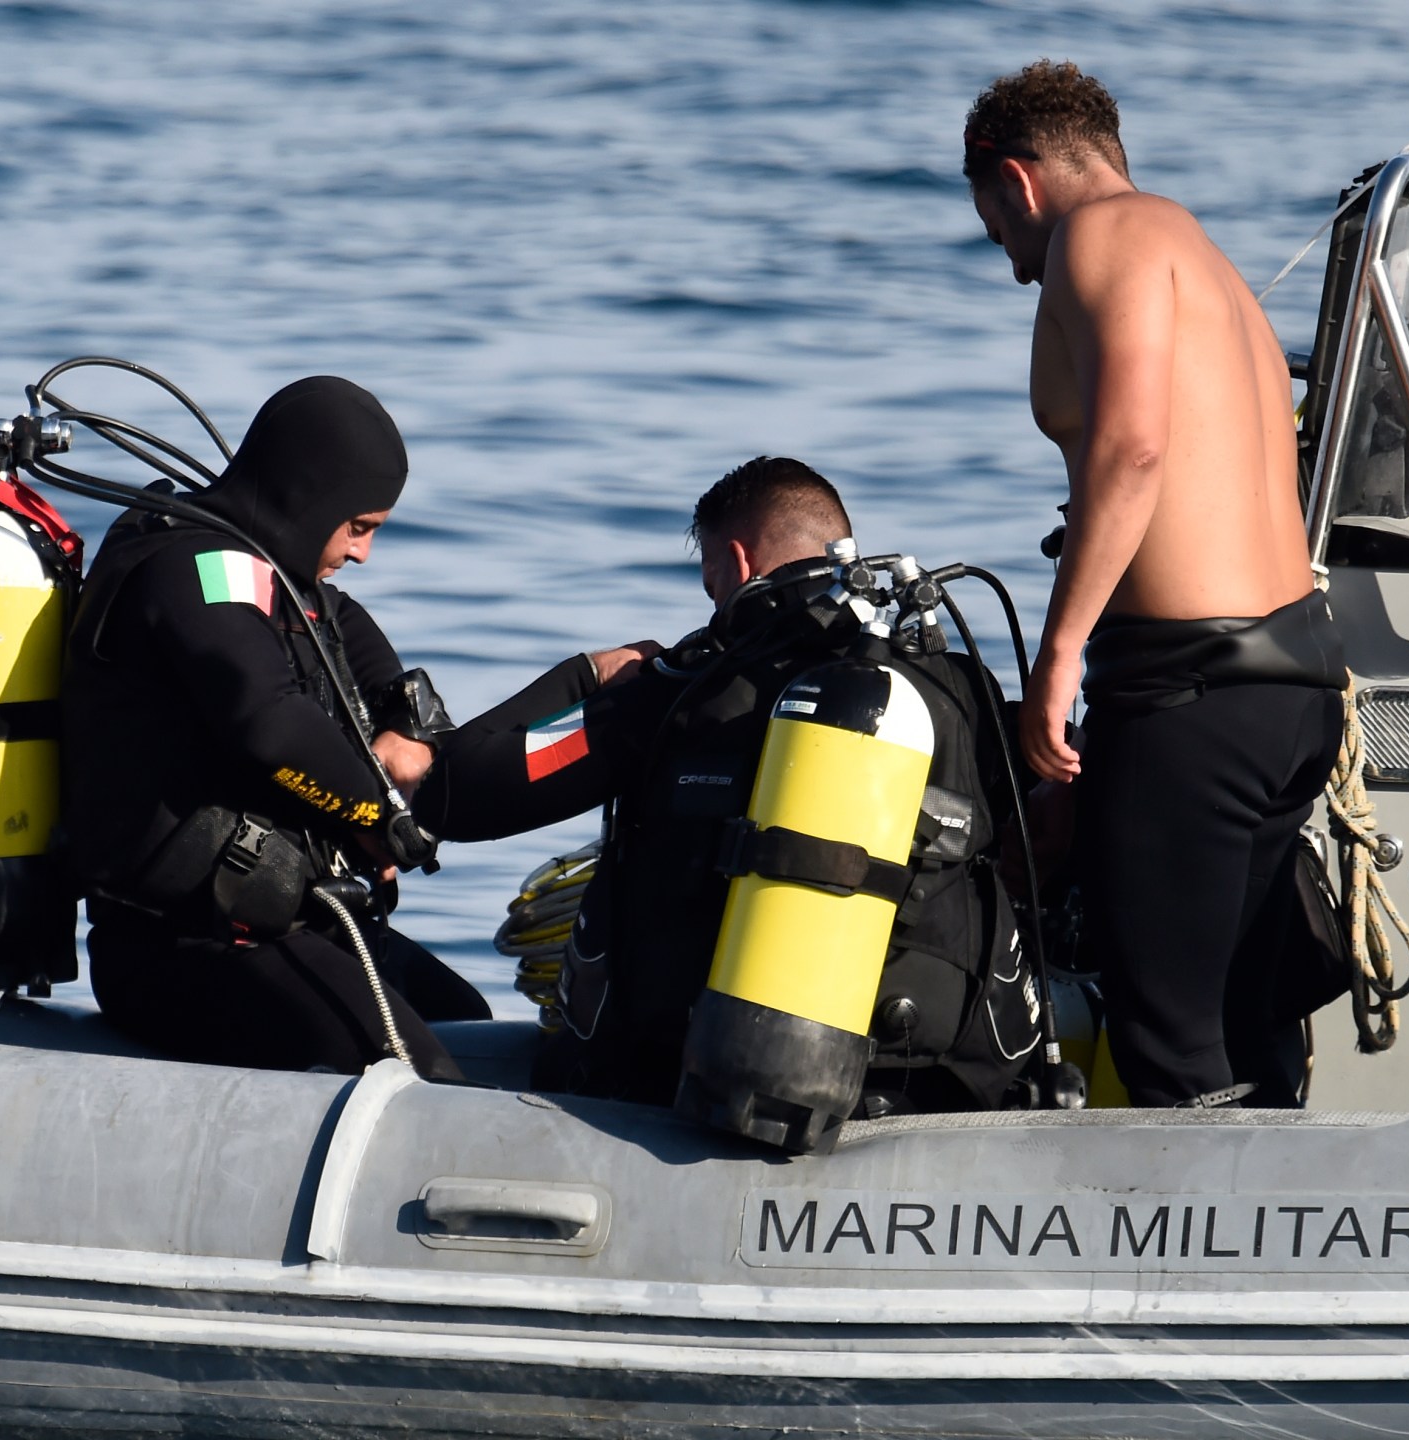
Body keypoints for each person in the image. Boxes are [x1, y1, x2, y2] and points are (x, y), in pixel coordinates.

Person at [416, 458, 1038, 1111]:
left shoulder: (684, 691)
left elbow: (453, 792)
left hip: (702, 1079)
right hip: (934, 1079)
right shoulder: (958, 688)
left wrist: (587, 678)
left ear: (737, 564)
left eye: (711, 585)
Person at [964, 61, 1346, 1106]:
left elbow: (1133, 452)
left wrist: (1056, 660)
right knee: (1243, 1022)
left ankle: (1201, 1269)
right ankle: (1294, 1249)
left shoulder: (1103, 237)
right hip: (1291, 684)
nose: (1011, 267)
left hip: (1193, 695)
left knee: (1165, 1040)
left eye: (997, 230)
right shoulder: (1204, 261)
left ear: (1018, 181)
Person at [62, 376, 490, 1080]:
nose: (363, 553)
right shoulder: (189, 571)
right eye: (360, 527)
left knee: (463, 1017)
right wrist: (379, 819)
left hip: (286, 925)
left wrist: (403, 722)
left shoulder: (264, 572)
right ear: (309, 496)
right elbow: (269, 725)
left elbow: (343, 625)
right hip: (181, 951)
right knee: (427, 1081)